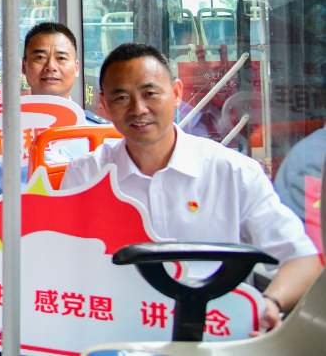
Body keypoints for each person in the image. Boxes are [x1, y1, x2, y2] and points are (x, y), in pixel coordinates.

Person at [62, 42, 323, 334]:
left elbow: (303, 260)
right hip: (116, 331)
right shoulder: (85, 175)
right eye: (121, 97)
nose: (138, 109)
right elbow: (60, 262)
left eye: (150, 93)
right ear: (105, 104)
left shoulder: (234, 172)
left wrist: (269, 304)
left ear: (176, 93)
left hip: (219, 331)